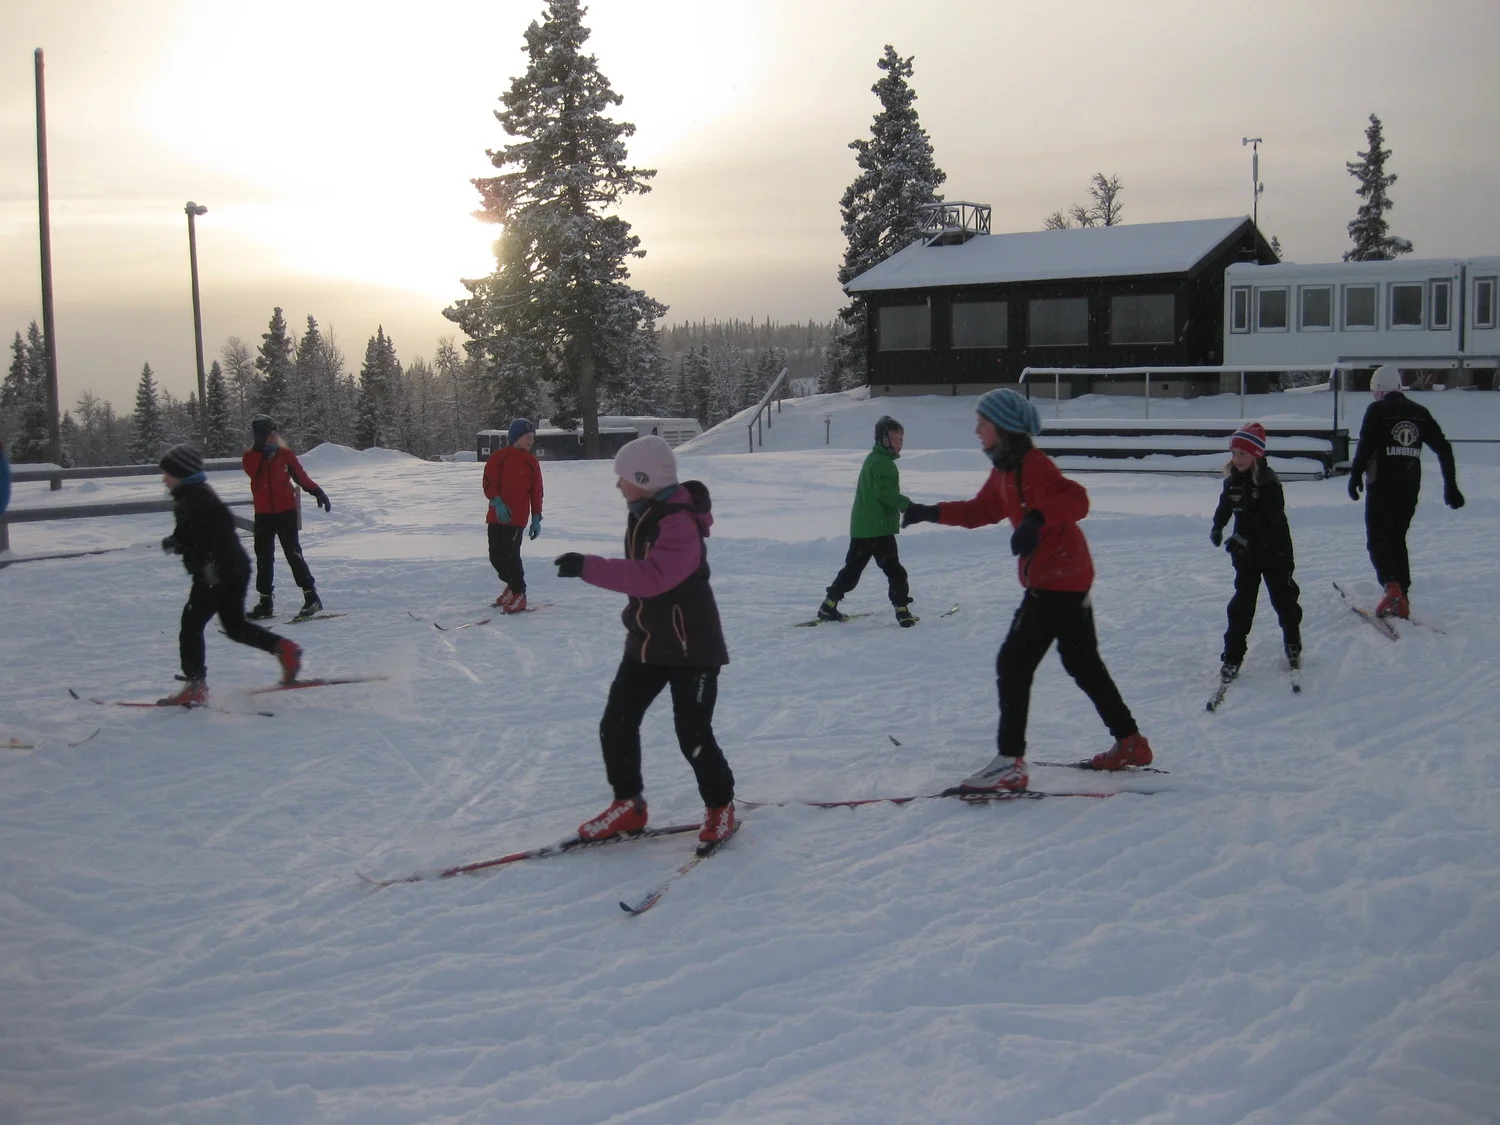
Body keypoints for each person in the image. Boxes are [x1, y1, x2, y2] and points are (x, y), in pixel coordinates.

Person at [901, 388, 1153, 789]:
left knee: (1013, 663)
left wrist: (1037, 518)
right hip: (1066, 577)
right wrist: (931, 512)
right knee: (1082, 663)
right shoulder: (1005, 470)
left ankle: (1010, 763)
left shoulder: (1034, 465)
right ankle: (1131, 743)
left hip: (1057, 580)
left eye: (983, 423)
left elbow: (1077, 500)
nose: (977, 430)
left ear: (1003, 427)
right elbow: (981, 510)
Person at [553, 434, 737, 847]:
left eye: (623, 477)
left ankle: (721, 805)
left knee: (692, 734)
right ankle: (628, 806)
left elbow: (654, 577)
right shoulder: (645, 513)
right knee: (616, 721)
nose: (618, 484)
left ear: (644, 479)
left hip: (692, 646)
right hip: (650, 641)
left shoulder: (679, 523)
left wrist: (588, 567)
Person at [157, 444, 301, 704]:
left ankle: (195, 685)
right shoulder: (193, 496)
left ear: (181, 472)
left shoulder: (196, 499)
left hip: (217, 572)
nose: (164, 479)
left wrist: (203, 564)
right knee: (235, 627)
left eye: (168, 473)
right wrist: (177, 540)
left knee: (191, 625)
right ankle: (285, 650)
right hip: (230, 569)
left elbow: (211, 537)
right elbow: (195, 532)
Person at [1348, 364, 1464, 618]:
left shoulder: (1377, 410)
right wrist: (1451, 486)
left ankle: (1392, 587)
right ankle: (1402, 594)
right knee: (1397, 538)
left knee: (1378, 539)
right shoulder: (1419, 412)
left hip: (1382, 485)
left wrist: (1355, 476)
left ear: (1379, 390)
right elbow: (1444, 448)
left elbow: (1366, 445)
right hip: (1409, 486)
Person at [1209, 422, 1302, 683]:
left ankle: (1292, 642)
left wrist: (1243, 538)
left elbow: (1268, 519)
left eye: (1243, 453)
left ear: (1256, 454)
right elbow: (1225, 506)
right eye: (1234, 453)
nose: (1237, 458)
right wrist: (1218, 526)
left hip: (1275, 551)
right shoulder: (1232, 482)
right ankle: (1232, 656)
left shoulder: (1269, 482)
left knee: (1283, 599)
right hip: (1246, 556)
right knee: (1241, 605)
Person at [816, 415, 918, 627]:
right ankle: (902, 610)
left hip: (863, 529)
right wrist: (906, 505)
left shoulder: (873, 458)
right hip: (879, 530)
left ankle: (829, 605)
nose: (898, 442)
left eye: (901, 439)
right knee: (895, 571)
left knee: (852, 570)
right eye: (894, 438)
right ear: (883, 439)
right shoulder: (883, 463)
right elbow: (884, 492)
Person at [242, 415, 331, 621]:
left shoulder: (285, 455)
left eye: (274, 433)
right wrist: (262, 454)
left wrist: (317, 492)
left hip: (286, 512)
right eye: (268, 434)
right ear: (259, 437)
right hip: (263, 514)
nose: (273, 437)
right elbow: (252, 472)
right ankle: (265, 601)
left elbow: (301, 476)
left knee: (293, 554)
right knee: (264, 557)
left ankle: (311, 596)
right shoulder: (250, 457)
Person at [482, 418, 544, 613]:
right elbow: (489, 482)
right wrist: (497, 502)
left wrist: (536, 517)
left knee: (511, 556)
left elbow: (536, 492)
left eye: (532, 437)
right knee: (495, 556)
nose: (531, 440)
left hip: (517, 518)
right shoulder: (499, 457)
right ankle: (511, 585)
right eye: (527, 436)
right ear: (515, 437)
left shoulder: (531, 462)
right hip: (497, 516)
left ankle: (519, 593)